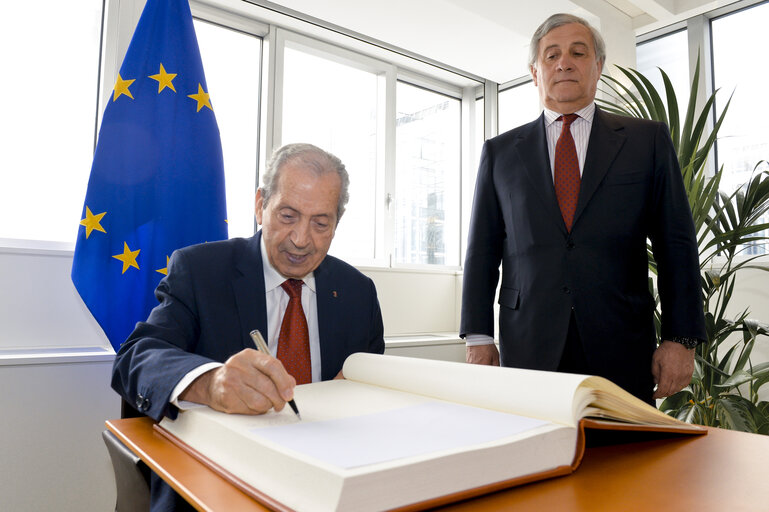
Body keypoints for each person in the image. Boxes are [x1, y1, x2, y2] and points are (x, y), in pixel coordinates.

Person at [112, 142, 384, 511]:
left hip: (327, 482)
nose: (302, 240)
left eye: (321, 223)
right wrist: (211, 383)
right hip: (216, 481)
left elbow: (370, 383)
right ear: (260, 205)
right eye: (288, 215)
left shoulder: (358, 292)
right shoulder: (201, 270)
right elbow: (136, 358)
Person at [460, 13, 706, 404]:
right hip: (528, 345)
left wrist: (681, 338)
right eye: (551, 55)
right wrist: (477, 335)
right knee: (534, 456)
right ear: (535, 72)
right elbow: (482, 250)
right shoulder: (500, 153)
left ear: (598, 67)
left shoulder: (648, 141)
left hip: (621, 343)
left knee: (625, 460)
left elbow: (676, 245)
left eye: (578, 52)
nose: (564, 62)